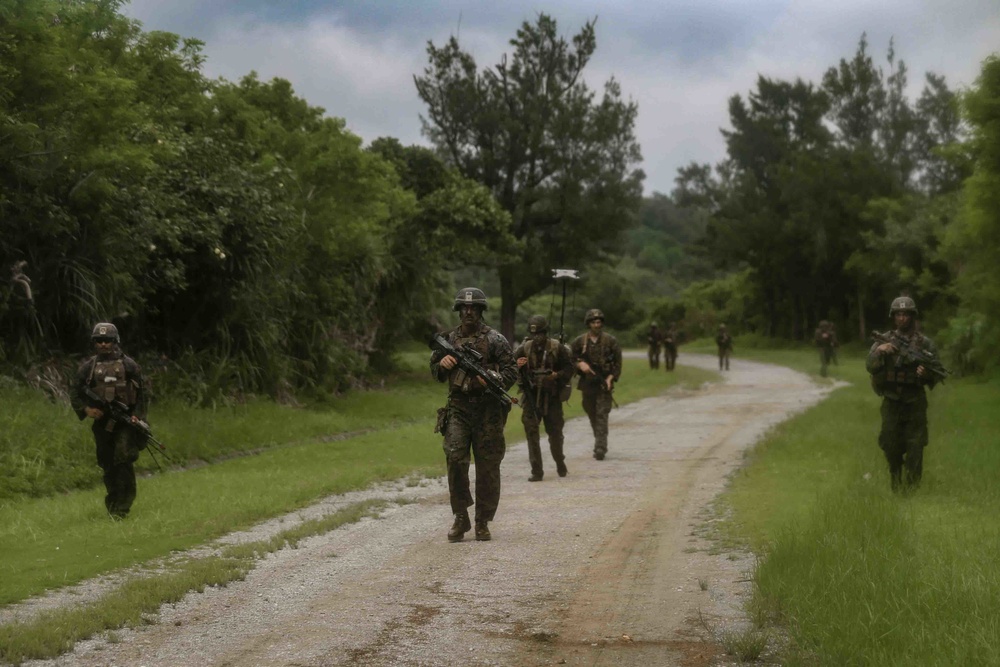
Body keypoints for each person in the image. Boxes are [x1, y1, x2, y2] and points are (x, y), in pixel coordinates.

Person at [431, 287, 518, 542]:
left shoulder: (495, 339)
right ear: (459, 311)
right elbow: (434, 371)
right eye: (465, 308)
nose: (469, 312)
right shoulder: (448, 340)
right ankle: (461, 516)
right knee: (455, 458)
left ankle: (483, 521)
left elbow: (512, 371)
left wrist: (491, 378)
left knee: (488, 465)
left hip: (488, 409)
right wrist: (442, 365)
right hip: (458, 407)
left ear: (480, 311)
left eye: (474, 308)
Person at [70, 322, 148, 519]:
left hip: (126, 422)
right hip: (102, 424)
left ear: (116, 341)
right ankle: (113, 504)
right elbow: (75, 392)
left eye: (108, 341)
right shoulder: (88, 368)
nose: (104, 344)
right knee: (107, 463)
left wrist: (137, 416)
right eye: (99, 341)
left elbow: (143, 394)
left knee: (123, 460)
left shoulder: (129, 365)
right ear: (95, 343)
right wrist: (87, 410)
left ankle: (123, 507)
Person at [866, 296, 941, 493]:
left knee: (916, 447)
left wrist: (926, 374)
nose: (902, 318)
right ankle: (896, 477)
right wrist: (879, 352)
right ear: (893, 317)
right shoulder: (884, 340)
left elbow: (936, 374)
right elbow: (870, 366)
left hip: (915, 400)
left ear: (913, 316)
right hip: (891, 400)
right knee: (891, 445)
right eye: (898, 314)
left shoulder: (925, 344)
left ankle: (912, 490)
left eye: (906, 314)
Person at [513, 315, 574, 482]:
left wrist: (556, 375)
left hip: (552, 397)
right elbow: (509, 364)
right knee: (531, 432)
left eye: (540, 333)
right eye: (534, 334)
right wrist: (518, 365)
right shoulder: (524, 348)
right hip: (531, 397)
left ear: (545, 333)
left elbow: (570, 369)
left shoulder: (556, 348)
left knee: (555, 434)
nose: (537, 337)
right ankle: (537, 471)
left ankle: (560, 461)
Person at [570, 309, 622, 460]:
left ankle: (600, 447)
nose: (596, 325)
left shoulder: (610, 341)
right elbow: (569, 358)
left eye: (599, 322)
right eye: (593, 322)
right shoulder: (580, 342)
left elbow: (618, 363)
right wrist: (580, 365)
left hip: (604, 383)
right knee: (591, 413)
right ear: (588, 324)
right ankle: (599, 439)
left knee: (602, 415)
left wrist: (610, 378)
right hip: (587, 384)